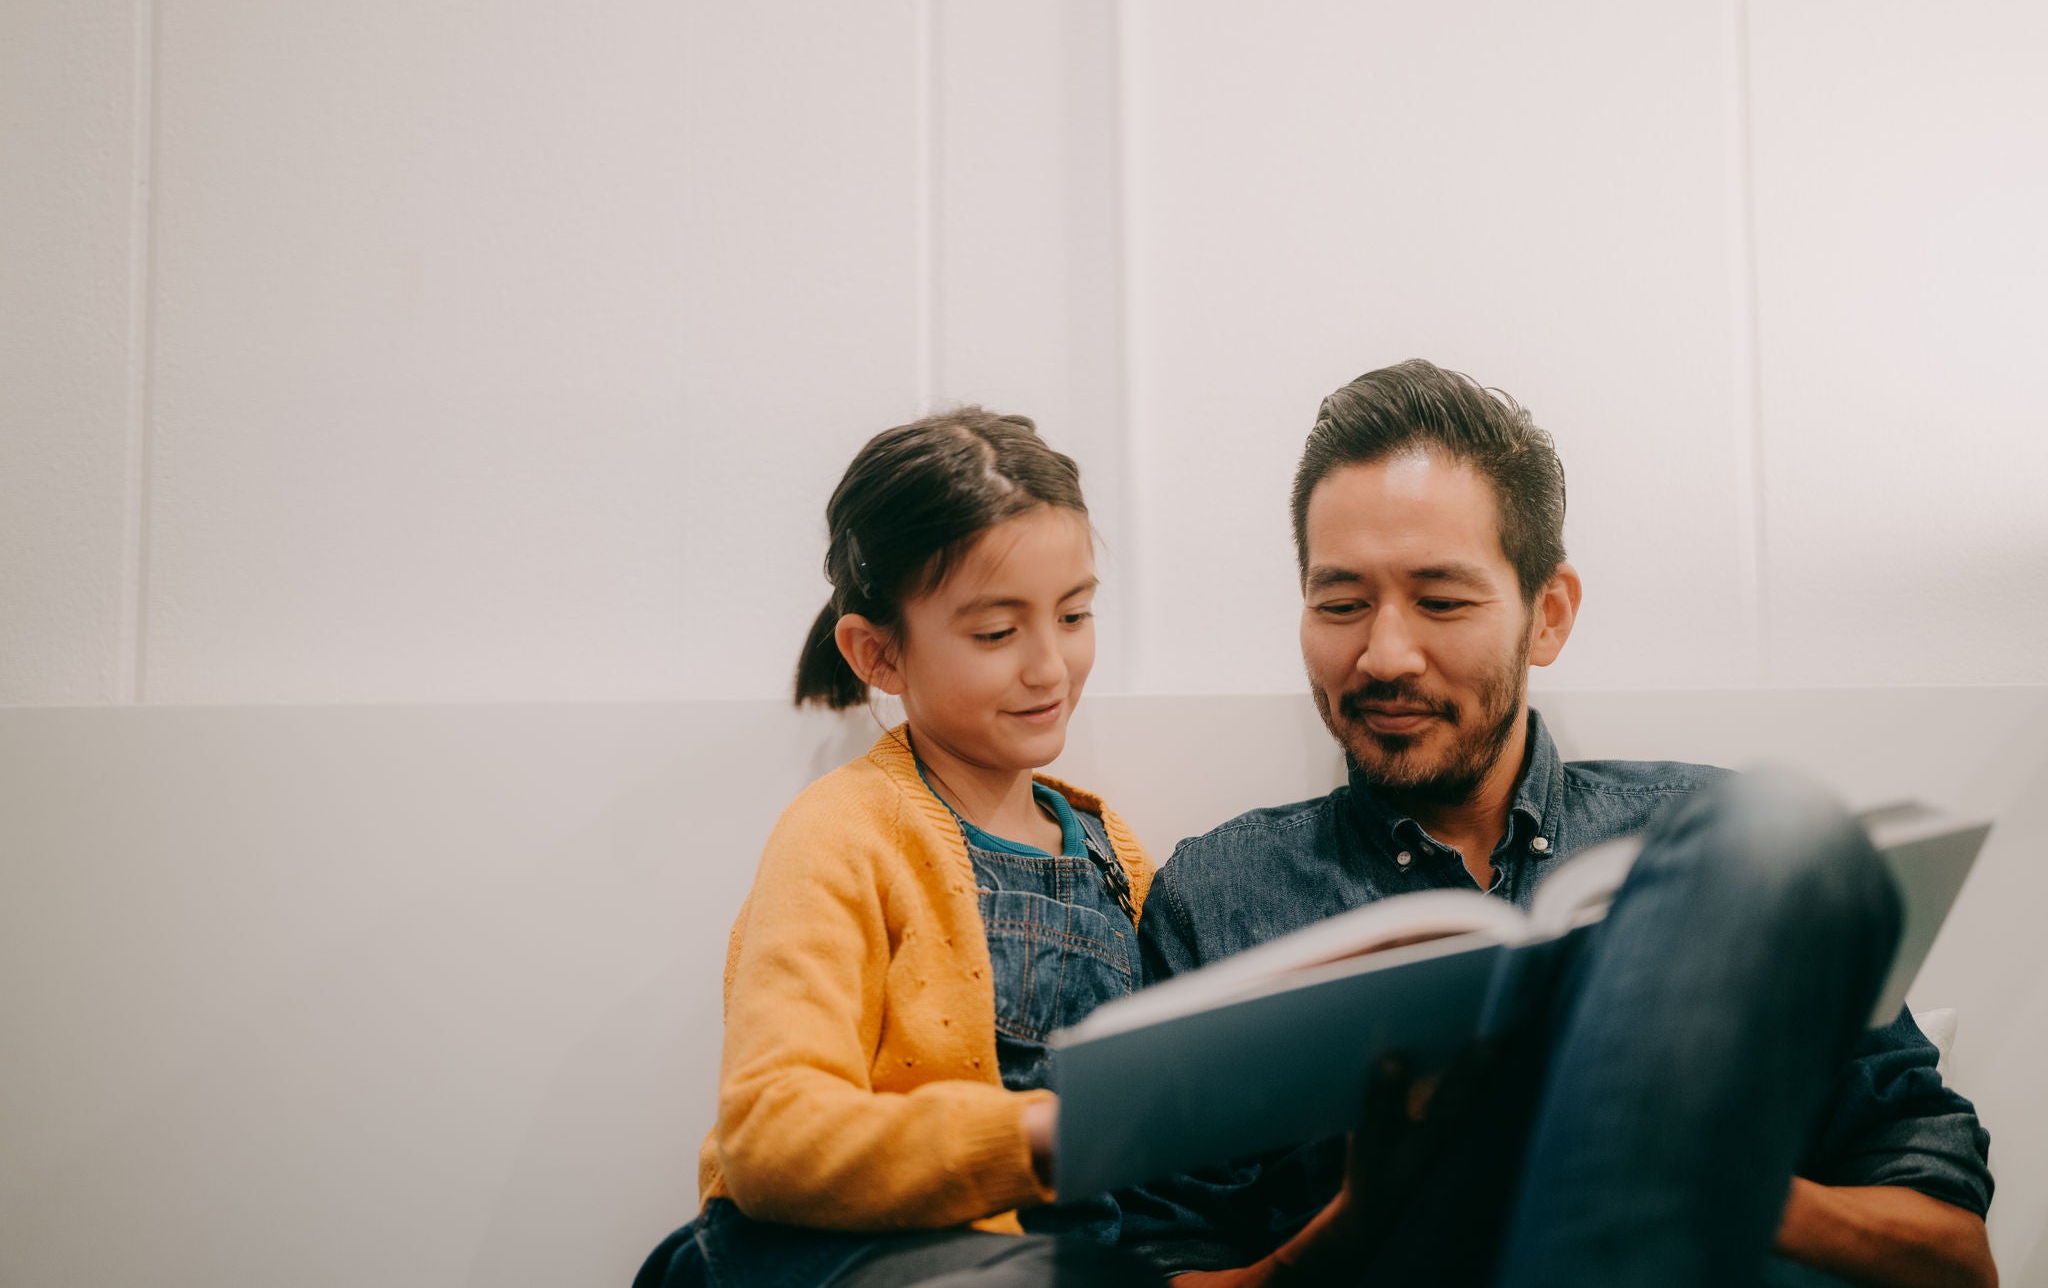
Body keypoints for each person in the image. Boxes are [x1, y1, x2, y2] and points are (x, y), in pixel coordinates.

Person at [1121, 360, 1996, 1287]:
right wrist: (1359, 1224)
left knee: (1774, 827)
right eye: (1340, 604)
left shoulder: (1703, 854)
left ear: (1548, 614)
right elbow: (1148, 1269)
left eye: (1441, 601)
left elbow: (1956, 1257)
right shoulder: (1216, 897)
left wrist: (1697, 1167)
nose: (1383, 654)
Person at [634, 408, 1170, 1287]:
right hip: (825, 1255)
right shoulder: (842, 832)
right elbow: (771, 1136)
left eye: (1074, 614)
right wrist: (1036, 1134)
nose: (1049, 665)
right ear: (877, 654)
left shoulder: (1115, 852)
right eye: (997, 632)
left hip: (1058, 1263)